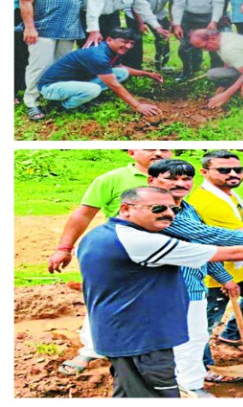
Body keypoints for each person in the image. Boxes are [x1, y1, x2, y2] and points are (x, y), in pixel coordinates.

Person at [77, 186, 243, 397]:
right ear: (126, 209)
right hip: (142, 339)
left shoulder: (100, 234)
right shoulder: (142, 242)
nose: (169, 214)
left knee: (131, 390)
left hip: (121, 331)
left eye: (172, 209)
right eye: (157, 209)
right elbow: (226, 252)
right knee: (157, 392)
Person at [49, 149, 172, 376]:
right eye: (150, 148)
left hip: (165, 250)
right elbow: (83, 214)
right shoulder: (111, 179)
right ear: (131, 151)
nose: (158, 152)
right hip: (120, 250)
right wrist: (63, 249)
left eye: (164, 148)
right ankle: (92, 349)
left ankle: (146, 349)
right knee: (108, 300)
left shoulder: (179, 178)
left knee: (157, 299)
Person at [184, 150, 243, 371]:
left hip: (239, 267)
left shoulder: (227, 194)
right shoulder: (208, 202)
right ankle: (201, 367)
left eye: (238, 169)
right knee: (205, 322)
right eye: (224, 170)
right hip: (214, 274)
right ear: (205, 172)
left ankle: (232, 333)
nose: (233, 174)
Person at [18, 0, 87, 120]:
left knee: (60, 67)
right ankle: (31, 102)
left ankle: (54, 97)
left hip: (69, 30)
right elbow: (26, 2)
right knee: (39, 66)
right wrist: (29, 27)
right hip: (43, 30)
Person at [37, 27, 162, 116]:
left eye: (131, 43)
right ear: (109, 40)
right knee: (94, 89)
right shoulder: (98, 56)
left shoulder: (110, 50)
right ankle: (65, 106)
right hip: (50, 88)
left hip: (72, 83)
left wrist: (148, 74)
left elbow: (120, 67)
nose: (128, 46)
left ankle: (83, 96)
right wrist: (137, 106)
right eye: (124, 42)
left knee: (122, 73)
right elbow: (113, 85)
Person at [82, 0, 171, 59]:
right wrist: (94, 30)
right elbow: (94, 7)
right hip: (89, 16)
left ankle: (111, 70)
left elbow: (143, 7)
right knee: (92, 45)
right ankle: (89, 72)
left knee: (114, 45)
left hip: (112, 16)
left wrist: (157, 27)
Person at [171, 0, 227, 81]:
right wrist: (177, 24)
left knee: (215, 46)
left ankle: (216, 72)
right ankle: (187, 71)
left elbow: (218, 3)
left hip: (210, 16)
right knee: (185, 47)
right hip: (189, 17)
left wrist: (214, 21)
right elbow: (178, 5)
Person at [189, 29, 243, 108]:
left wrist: (226, 95)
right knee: (214, 74)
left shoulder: (229, 48)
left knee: (213, 74)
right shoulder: (222, 38)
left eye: (205, 46)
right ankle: (237, 87)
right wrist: (222, 87)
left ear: (212, 38)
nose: (205, 50)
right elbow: (228, 62)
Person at [126, 0, 177, 71]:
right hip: (135, 14)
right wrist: (140, 23)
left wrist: (173, 21)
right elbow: (135, 4)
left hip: (158, 14)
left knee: (163, 38)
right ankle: (135, 67)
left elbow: (173, 4)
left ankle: (162, 65)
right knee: (135, 40)